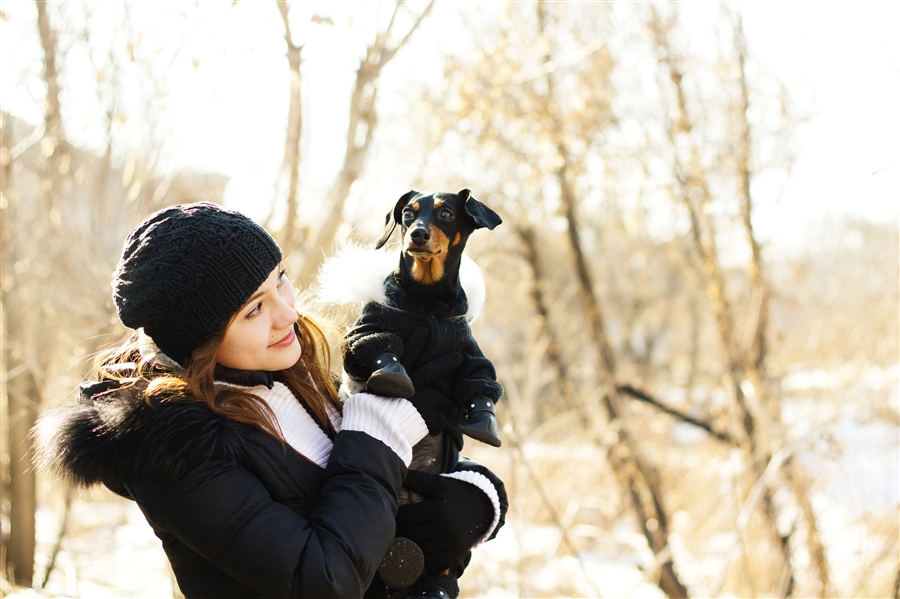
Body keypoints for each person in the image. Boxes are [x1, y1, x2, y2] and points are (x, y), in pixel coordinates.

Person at [34, 202, 507, 599]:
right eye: (253, 309)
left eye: (280, 278)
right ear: (200, 340)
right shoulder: (173, 450)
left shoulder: (287, 374)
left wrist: (477, 501)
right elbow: (325, 579)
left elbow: (388, 485)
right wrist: (377, 430)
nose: (287, 313)